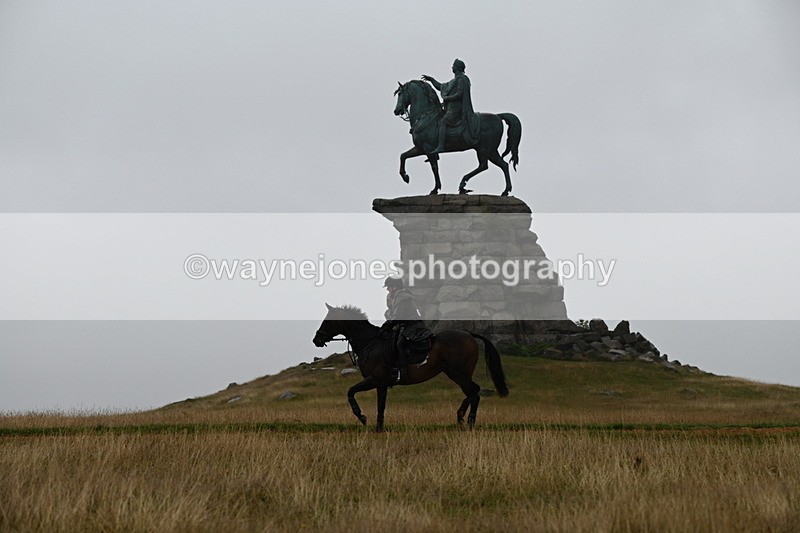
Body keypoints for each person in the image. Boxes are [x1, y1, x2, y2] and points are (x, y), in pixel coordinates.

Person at [422, 58, 480, 154]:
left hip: (457, 109)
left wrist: (447, 98)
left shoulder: (462, 79)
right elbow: (441, 87)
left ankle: (441, 146)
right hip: (450, 109)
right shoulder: (453, 81)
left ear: (457, 68)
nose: (452, 67)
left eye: (453, 66)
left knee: (443, 122)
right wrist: (431, 80)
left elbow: (459, 94)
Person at [380, 277, 430, 383]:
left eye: (389, 287)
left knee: (400, 343)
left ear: (395, 287)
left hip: (412, 325)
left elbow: (397, 316)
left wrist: (386, 326)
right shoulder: (391, 297)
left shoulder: (403, 297)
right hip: (401, 324)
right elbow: (389, 313)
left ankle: (403, 373)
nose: (388, 289)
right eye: (388, 287)